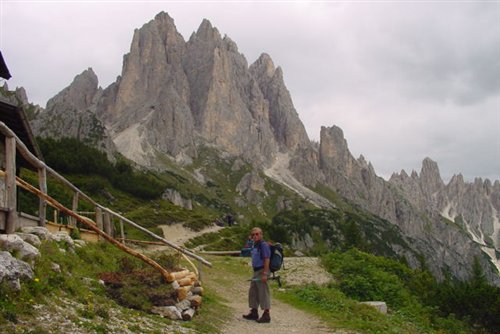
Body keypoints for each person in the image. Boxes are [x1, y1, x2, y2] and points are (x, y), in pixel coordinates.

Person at [242, 227, 271, 323]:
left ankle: (266, 314)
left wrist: (265, 274)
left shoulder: (263, 245)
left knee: (263, 292)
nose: (255, 236)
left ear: (261, 235)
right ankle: (254, 312)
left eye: (257, 234)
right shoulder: (255, 245)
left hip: (262, 271)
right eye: (253, 234)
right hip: (256, 271)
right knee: (253, 291)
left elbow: (267, 259)